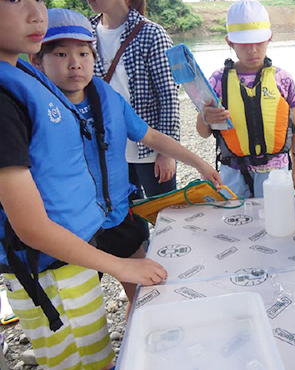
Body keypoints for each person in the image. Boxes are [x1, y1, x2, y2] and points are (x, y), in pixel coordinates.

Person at [0, 0, 167, 369]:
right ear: (42, 60)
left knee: (97, 355)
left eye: (38, 0)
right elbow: (29, 226)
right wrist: (120, 266)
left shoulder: (25, 82)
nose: (35, 13)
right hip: (44, 269)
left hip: (70, 259)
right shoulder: (6, 100)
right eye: (14, 0)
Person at [30, 8, 222, 312]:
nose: (75, 64)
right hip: (70, 229)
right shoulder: (33, 108)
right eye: (61, 54)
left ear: (95, 58)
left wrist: (199, 163)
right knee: (80, 310)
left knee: (147, 290)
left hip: (117, 214)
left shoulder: (109, 100)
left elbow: (153, 137)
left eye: (83, 53)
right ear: (36, 60)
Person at [196, 0, 295, 199]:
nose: (252, 50)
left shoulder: (284, 78)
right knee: (236, 225)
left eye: (258, 42)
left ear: (269, 38)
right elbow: (203, 133)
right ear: (230, 42)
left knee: (276, 223)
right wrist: (205, 117)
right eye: (244, 44)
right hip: (233, 172)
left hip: (276, 172)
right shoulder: (217, 81)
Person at [88, 0, 180, 199]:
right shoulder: (86, 34)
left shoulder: (152, 34)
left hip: (150, 149)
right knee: (127, 222)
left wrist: (167, 152)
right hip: (109, 151)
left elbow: (169, 97)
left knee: (166, 215)